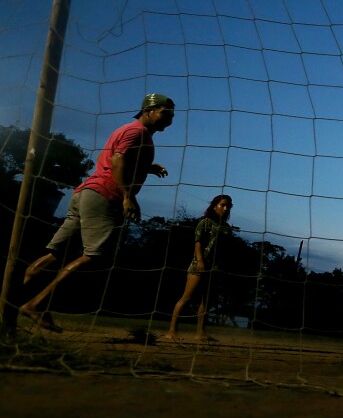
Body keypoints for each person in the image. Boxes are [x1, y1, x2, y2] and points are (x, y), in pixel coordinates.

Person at [20, 93, 175, 332]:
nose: (170, 119)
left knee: (56, 254)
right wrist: (128, 197)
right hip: (104, 195)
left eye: (172, 115)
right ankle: (37, 304)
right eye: (165, 113)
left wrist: (147, 167)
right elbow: (117, 160)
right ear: (148, 111)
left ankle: (13, 301)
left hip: (86, 193)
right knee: (95, 256)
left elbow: (120, 157)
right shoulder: (137, 132)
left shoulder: (131, 131)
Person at [164, 194, 234, 342]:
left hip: (214, 268)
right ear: (215, 206)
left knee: (206, 301)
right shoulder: (205, 222)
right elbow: (198, 242)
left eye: (228, 206)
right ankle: (172, 331)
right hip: (199, 265)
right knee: (187, 297)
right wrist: (200, 260)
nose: (226, 208)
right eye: (223, 205)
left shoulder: (226, 228)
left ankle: (200, 333)